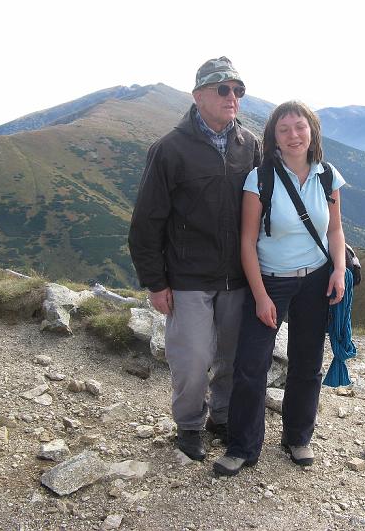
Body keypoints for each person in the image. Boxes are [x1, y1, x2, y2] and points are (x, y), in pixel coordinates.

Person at [128, 57, 261, 461]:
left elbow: (267, 208)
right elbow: (146, 223)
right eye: (223, 89)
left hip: (239, 277)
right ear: (198, 95)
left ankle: (222, 417)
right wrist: (156, 283)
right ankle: (188, 425)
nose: (232, 97)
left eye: (238, 90)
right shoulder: (169, 150)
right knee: (192, 360)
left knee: (231, 359)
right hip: (188, 278)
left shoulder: (250, 145)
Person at [212, 101, 346, 476]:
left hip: (317, 278)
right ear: (273, 136)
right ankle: (242, 447)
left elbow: (335, 230)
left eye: (300, 127)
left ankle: (298, 437)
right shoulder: (260, 179)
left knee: (307, 362)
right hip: (271, 280)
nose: (293, 135)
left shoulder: (328, 176)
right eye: (284, 129)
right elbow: (247, 242)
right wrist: (260, 296)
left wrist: (338, 270)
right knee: (251, 366)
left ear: (312, 131)